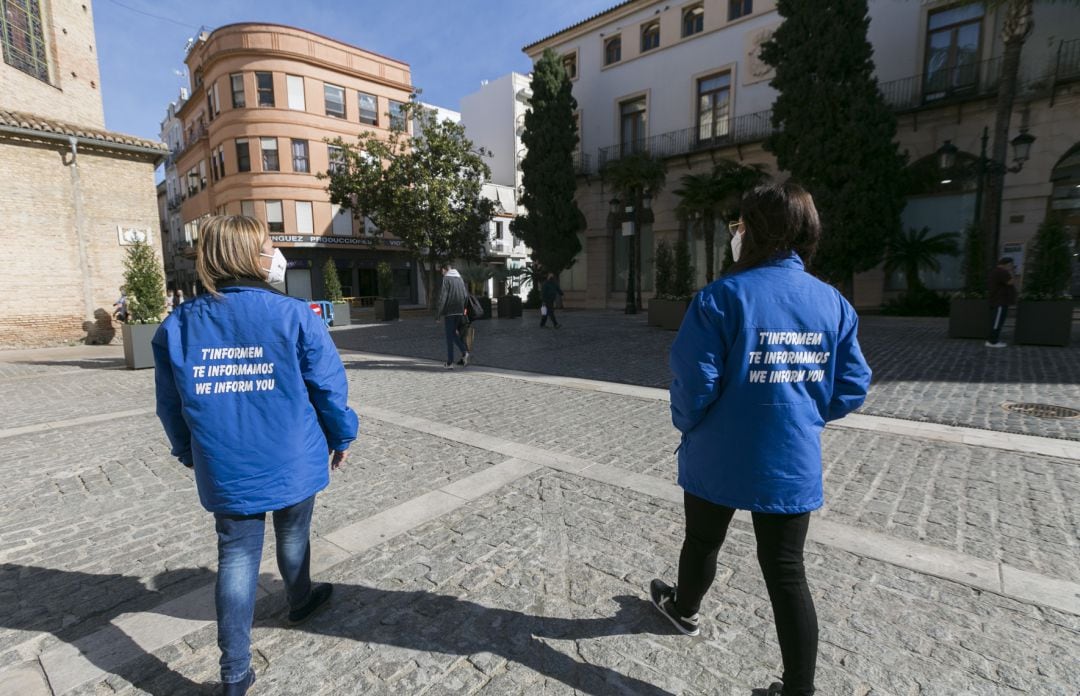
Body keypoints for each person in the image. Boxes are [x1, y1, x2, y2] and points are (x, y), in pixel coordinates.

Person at [651, 183, 871, 696]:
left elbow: (694, 384)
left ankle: (684, 608)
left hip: (719, 454)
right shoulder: (833, 303)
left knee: (703, 540)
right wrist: (801, 415)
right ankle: (799, 690)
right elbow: (852, 386)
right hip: (789, 459)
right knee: (786, 570)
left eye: (740, 225)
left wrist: (689, 424)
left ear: (752, 231)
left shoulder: (721, 298)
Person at [152, 215, 358, 696]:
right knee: (293, 533)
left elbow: (169, 404)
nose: (274, 253)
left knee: (237, 557)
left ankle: (234, 673)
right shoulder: (294, 316)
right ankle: (300, 601)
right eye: (268, 244)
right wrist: (342, 436)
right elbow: (329, 389)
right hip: (293, 456)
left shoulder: (179, 324)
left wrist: (186, 450)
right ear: (250, 253)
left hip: (226, 463)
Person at [435, 263, 471, 368]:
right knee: (453, 334)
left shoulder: (446, 279)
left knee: (449, 337)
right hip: (460, 311)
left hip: (450, 312)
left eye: (442, 271)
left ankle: (450, 362)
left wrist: (438, 315)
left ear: (445, 270)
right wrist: (463, 310)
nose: (442, 273)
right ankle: (464, 352)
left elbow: (443, 297)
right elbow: (465, 296)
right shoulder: (460, 279)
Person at [986, 257, 1016, 348]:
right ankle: (992, 341)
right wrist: (1012, 272)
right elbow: (1010, 282)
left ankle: (992, 340)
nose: (1012, 266)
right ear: (1007, 264)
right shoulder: (1001, 272)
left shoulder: (996, 271)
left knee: (996, 321)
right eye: (1011, 265)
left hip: (998, 300)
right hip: (1000, 301)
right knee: (997, 322)